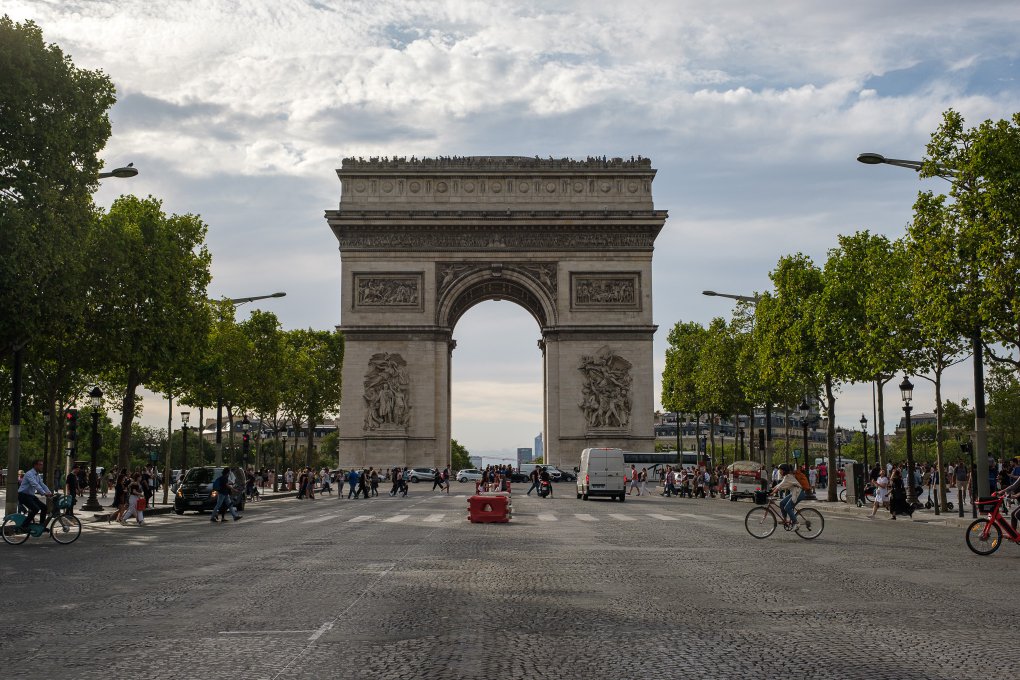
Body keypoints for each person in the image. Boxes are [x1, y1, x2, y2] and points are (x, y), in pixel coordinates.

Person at [18, 459, 53, 529]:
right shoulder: (29, 474)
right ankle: (23, 526)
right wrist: (44, 493)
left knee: (44, 507)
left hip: (30, 496)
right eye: (40, 465)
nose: (42, 466)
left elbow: (42, 484)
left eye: (42, 465)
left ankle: (41, 526)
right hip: (23, 495)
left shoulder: (37, 475)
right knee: (35, 509)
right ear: (35, 465)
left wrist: (49, 492)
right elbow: (35, 484)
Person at [770, 464, 804, 529]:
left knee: (787, 508)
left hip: (799, 493)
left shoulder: (788, 477)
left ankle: (796, 523)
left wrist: (773, 492)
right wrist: (772, 489)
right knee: (782, 503)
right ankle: (785, 520)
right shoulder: (786, 476)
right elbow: (780, 484)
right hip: (795, 492)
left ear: (784, 470)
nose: (779, 472)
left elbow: (781, 486)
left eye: (781, 470)